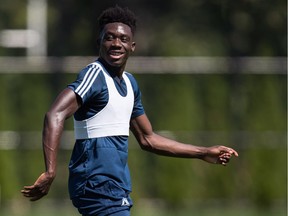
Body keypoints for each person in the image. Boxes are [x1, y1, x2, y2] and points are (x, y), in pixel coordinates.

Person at [21, 5, 239, 216]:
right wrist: (50, 171)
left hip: (116, 185)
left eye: (123, 39)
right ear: (99, 42)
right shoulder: (94, 75)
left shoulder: (130, 83)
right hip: (96, 184)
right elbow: (55, 114)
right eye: (110, 37)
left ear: (132, 46)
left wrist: (203, 153)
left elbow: (148, 138)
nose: (116, 43)